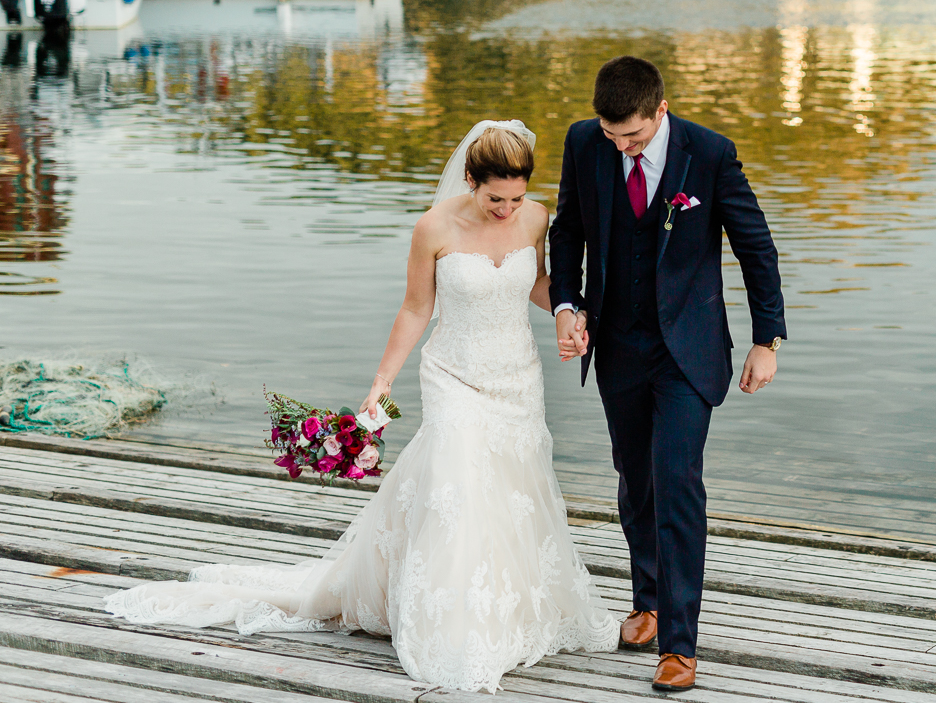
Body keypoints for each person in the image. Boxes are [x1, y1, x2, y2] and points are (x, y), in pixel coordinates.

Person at [103, 121, 619, 694]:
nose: (506, 209)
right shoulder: (434, 227)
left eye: (516, 198)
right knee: (459, 491)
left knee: (512, 489)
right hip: (453, 375)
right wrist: (381, 383)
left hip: (518, 376)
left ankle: (510, 606)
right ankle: (456, 623)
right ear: (471, 181)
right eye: (495, 198)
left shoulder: (536, 217)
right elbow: (415, 310)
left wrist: (574, 314)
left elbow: (537, 283)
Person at [548, 56, 787, 693]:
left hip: (688, 348)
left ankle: (681, 643)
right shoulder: (584, 142)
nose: (621, 146)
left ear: (661, 111)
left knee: (677, 480)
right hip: (618, 346)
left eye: (633, 136)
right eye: (611, 134)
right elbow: (567, 229)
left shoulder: (708, 154)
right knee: (635, 477)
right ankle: (648, 601)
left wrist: (768, 339)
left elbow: (754, 244)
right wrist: (567, 305)